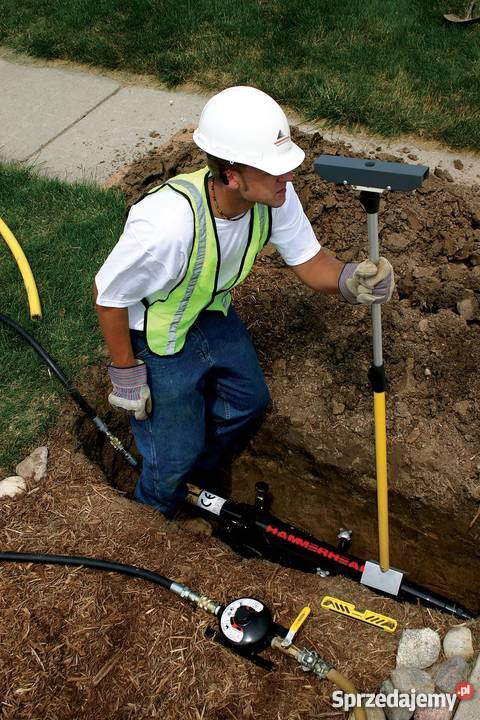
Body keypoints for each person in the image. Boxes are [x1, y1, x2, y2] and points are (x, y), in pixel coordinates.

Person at [94, 86, 394, 517]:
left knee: (247, 402)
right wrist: (125, 373)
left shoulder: (274, 198)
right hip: (156, 335)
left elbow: (311, 263)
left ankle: (197, 480)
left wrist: (351, 280)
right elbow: (107, 295)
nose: (288, 178)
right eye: (275, 171)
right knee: (171, 458)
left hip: (210, 315)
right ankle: (153, 511)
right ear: (232, 176)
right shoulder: (165, 227)